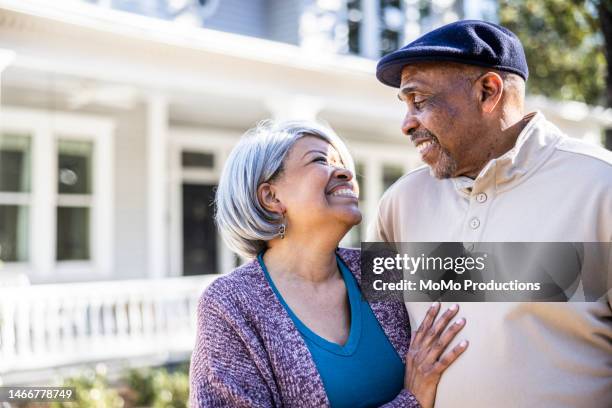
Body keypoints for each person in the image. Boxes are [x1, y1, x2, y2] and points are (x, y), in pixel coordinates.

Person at [371, 19, 612, 407]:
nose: (406, 124)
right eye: (405, 105)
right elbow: (383, 349)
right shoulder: (399, 205)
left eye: (420, 101)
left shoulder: (602, 187)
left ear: (487, 91)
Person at [189, 121, 469, 407]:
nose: (347, 173)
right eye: (320, 160)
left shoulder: (380, 269)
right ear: (271, 197)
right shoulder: (229, 305)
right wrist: (411, 401)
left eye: (342, 162)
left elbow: (505, 274)